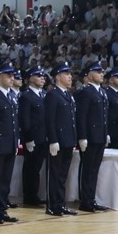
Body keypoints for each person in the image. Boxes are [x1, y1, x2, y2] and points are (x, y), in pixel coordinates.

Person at [74, 61, 110, 212]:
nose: (101, 74)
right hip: (89, 136)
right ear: (89, 75)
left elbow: (103, 116)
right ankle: (85, 200)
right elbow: (81, 116)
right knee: (87, 169)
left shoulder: (102, 91)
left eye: (102, 72)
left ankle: (91, 199)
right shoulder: (86, 91)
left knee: (94, 169)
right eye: (97, 72)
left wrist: (106, 133)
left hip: (100, 136)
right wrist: (82, 137)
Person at [43, 62, 78, 216]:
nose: (70, 77)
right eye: (66, 74)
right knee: (55, 174)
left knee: (63, 175)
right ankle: (52, 205)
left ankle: (60, 203)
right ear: (57, 77)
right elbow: (50, 119)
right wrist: (53, 140)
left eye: (70, 74)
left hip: (68, 140)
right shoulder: (53, 94)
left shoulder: (68, 95)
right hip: (57, 140)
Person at [0, 62, 20, 223]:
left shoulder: (12, 96)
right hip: (0, 144)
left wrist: (16, 141)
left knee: (5, 180)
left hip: (10, 143)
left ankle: (2, 209)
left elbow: (14, 122)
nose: (11, 78)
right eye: (8, 75)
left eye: (12, 75)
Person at [18, 67, 48, 207]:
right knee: (30, 168)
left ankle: (34, 194)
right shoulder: (26, 96)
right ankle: (29, 196)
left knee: (36, 168)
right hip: (33, 138)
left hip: (43, 138)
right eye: (38, 76)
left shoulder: (44, 95)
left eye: (43, 76)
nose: (42, 78)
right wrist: (28, 138)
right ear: (30, 78)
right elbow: (25, 120)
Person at [104, 68, 118, 148]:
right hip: (111, 130)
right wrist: (106, 133)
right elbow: (105, 114)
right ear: (111, 80)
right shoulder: (107, 93)